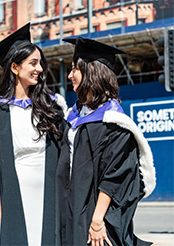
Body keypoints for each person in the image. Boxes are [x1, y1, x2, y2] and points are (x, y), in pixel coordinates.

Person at [0, 23, 66, 245]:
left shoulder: (52, 108)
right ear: (14, 67)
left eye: (40, 63)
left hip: (50, 198)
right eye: (33, 63)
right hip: (13, 198)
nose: (40, 69)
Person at [58, 37, 156, 246]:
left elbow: (115, 176)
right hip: (69, 212)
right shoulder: (73, 116)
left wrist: (96, 220)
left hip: (96, 217)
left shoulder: (114, 123)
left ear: (91, 72)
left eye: (75, 69)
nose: (70, 75)